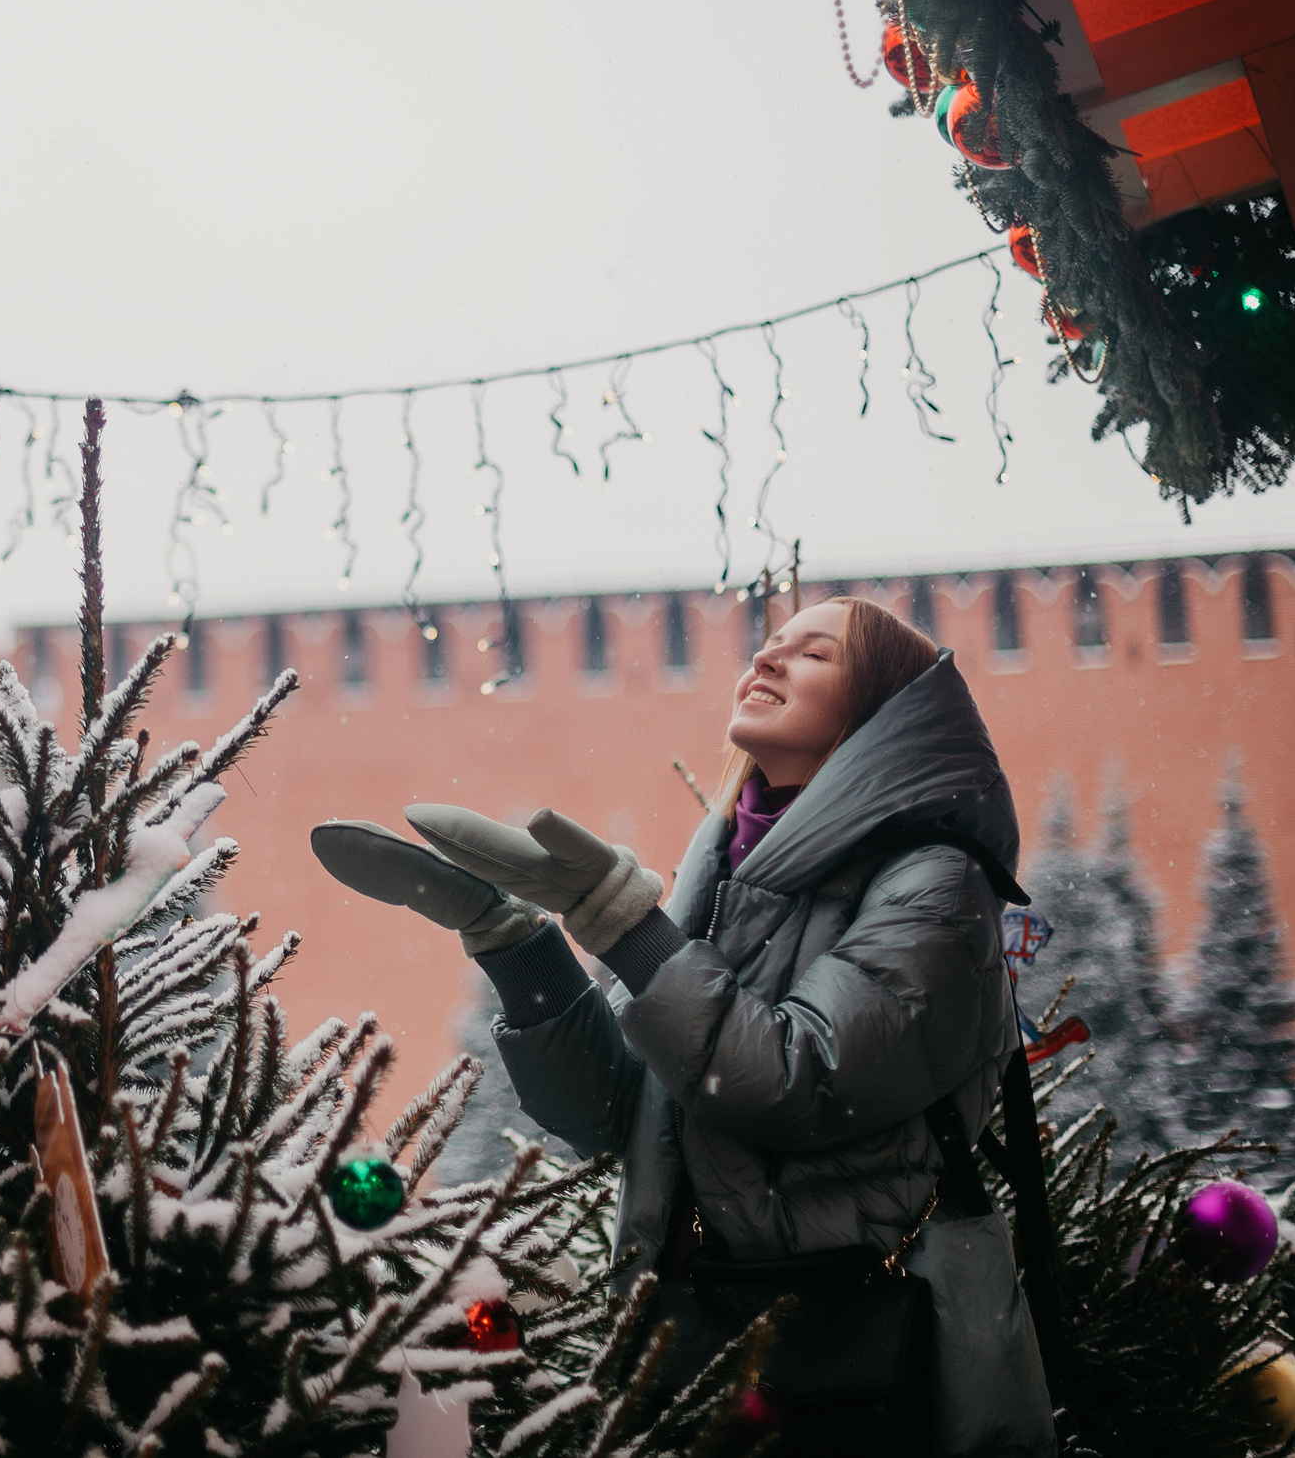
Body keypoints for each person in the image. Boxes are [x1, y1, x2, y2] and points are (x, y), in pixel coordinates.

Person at [311, 597, 1055, 1458]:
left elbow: (792, 1084)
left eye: (813, 654)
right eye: (768, 646)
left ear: (887, 714)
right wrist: (520, 950)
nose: (767, 661)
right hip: (689, 1333)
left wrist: (630, 928)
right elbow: (612, 1112)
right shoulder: (723, 866)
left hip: (862, 1351)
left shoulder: (934, 884)